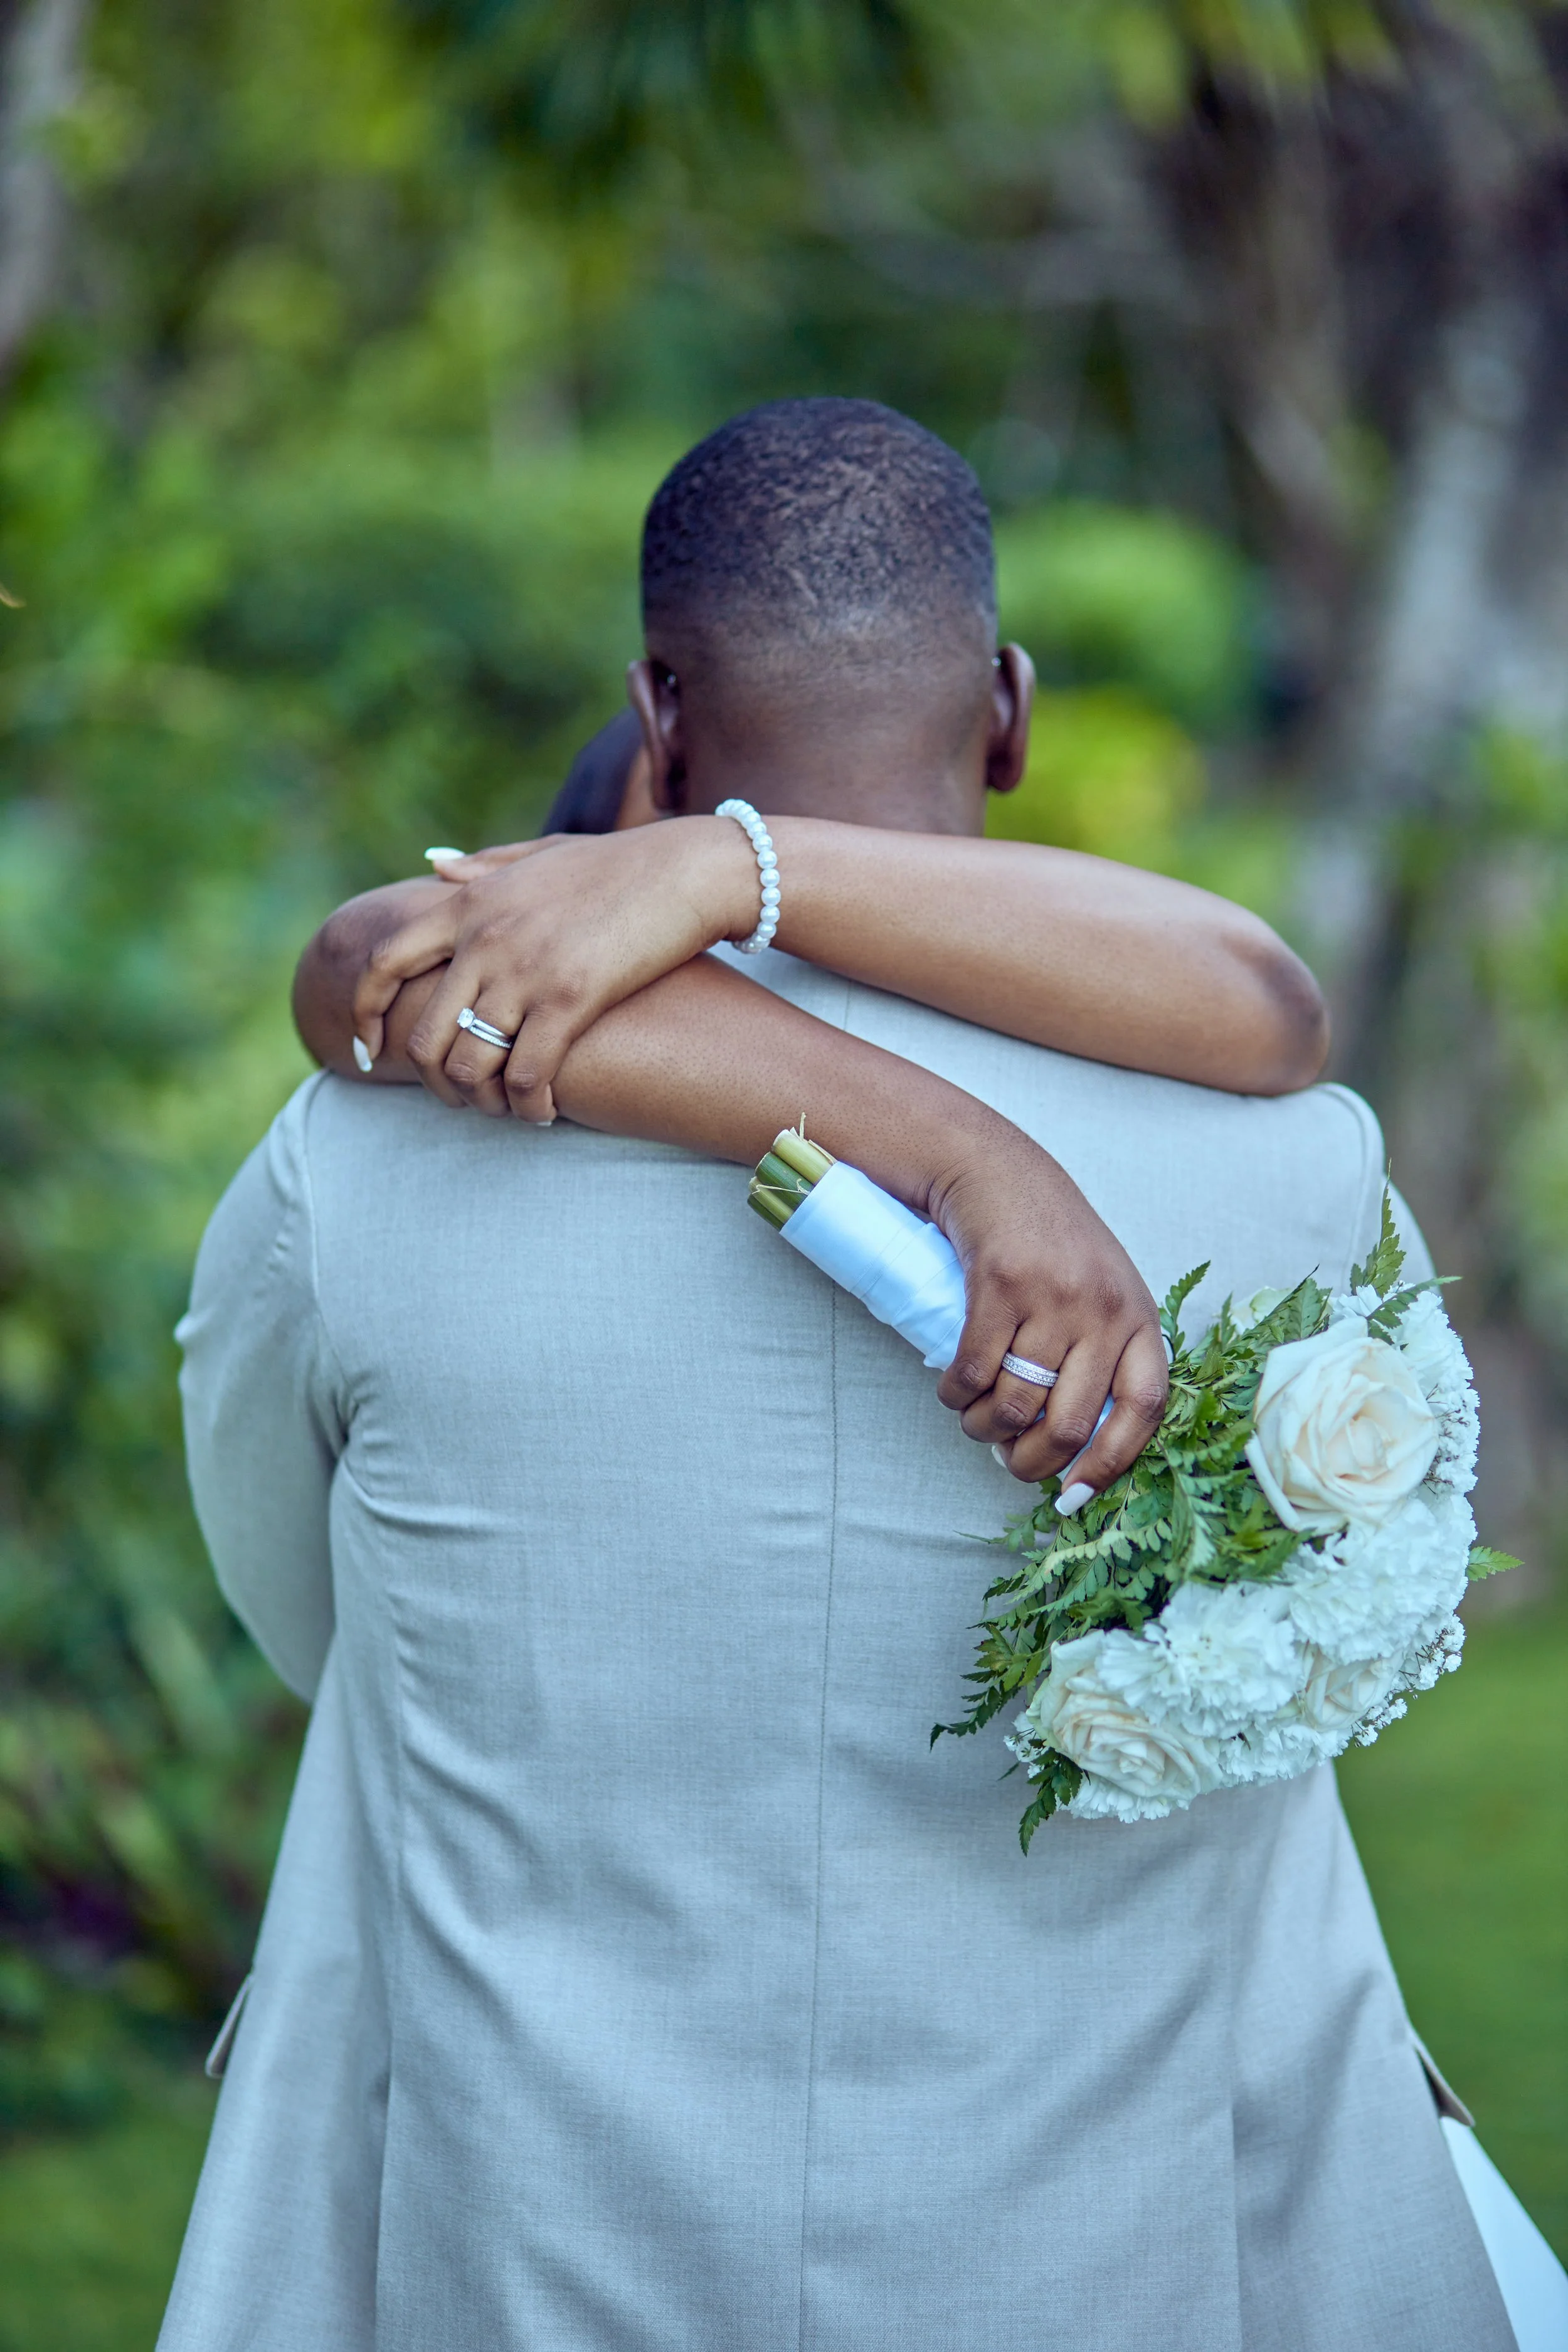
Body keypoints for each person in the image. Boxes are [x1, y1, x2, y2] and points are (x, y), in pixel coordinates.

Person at [162, 401, 1513, 2349]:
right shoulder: (1287, 1168)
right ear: (1013, 709)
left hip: (512, 2224)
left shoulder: (363, 1159)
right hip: (1145, 2235)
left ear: (656, 708)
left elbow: (298, 1590)